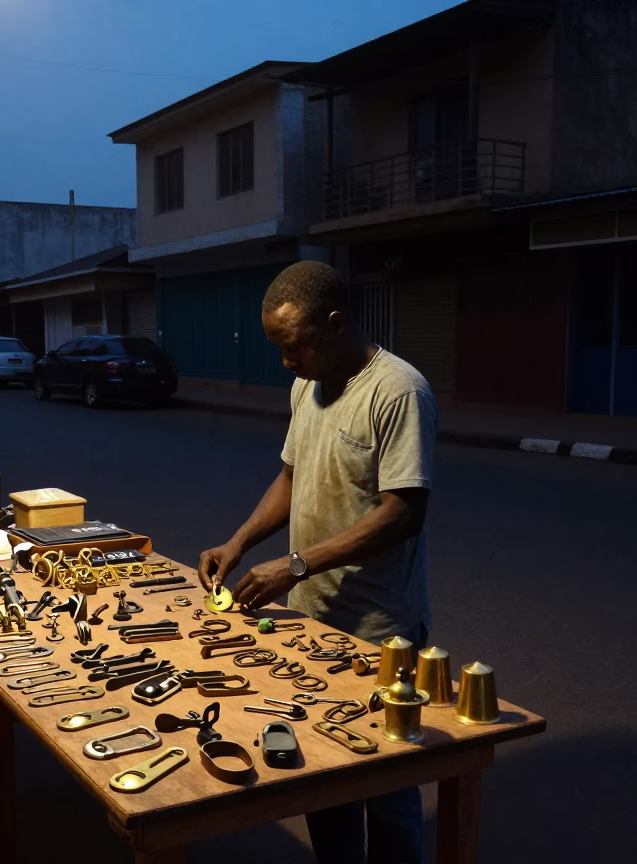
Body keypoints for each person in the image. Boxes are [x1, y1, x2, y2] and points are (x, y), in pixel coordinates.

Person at [197, 260, 437, 864]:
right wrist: (239, 542)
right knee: (325, 773)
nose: (285, 362)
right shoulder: (307, 384)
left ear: (335, 324)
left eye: (293, 346)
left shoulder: (398, 391)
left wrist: (295, 566)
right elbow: (291, 476)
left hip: (380, 628)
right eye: (277, 348)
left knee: (387, 784)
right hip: (312, 620)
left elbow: (403, 513)